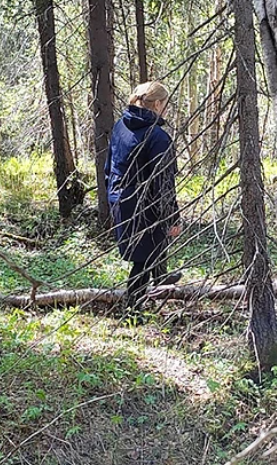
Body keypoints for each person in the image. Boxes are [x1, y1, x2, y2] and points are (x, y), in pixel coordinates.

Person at [105, 81, 182, 308]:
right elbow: (164, 184)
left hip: (119, 198)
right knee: (144, 258)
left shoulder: (120, 126)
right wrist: (172, 218)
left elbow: (108, 167)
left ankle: (161, 278)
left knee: (151, 247)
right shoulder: (157, 137)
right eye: (165, 104)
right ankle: (132, 307)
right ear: (157, 104)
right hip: (142, 203)